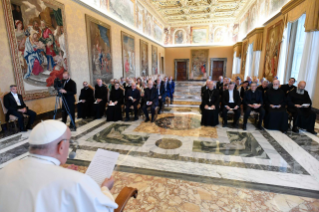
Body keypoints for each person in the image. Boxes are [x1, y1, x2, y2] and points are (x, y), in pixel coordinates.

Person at [0, 120, 118, 211]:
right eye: (69, 141)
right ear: (61, 146)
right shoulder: (76, 182)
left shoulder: (6, 169)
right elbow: (105, 209)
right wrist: (105, 189)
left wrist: (60, 173)